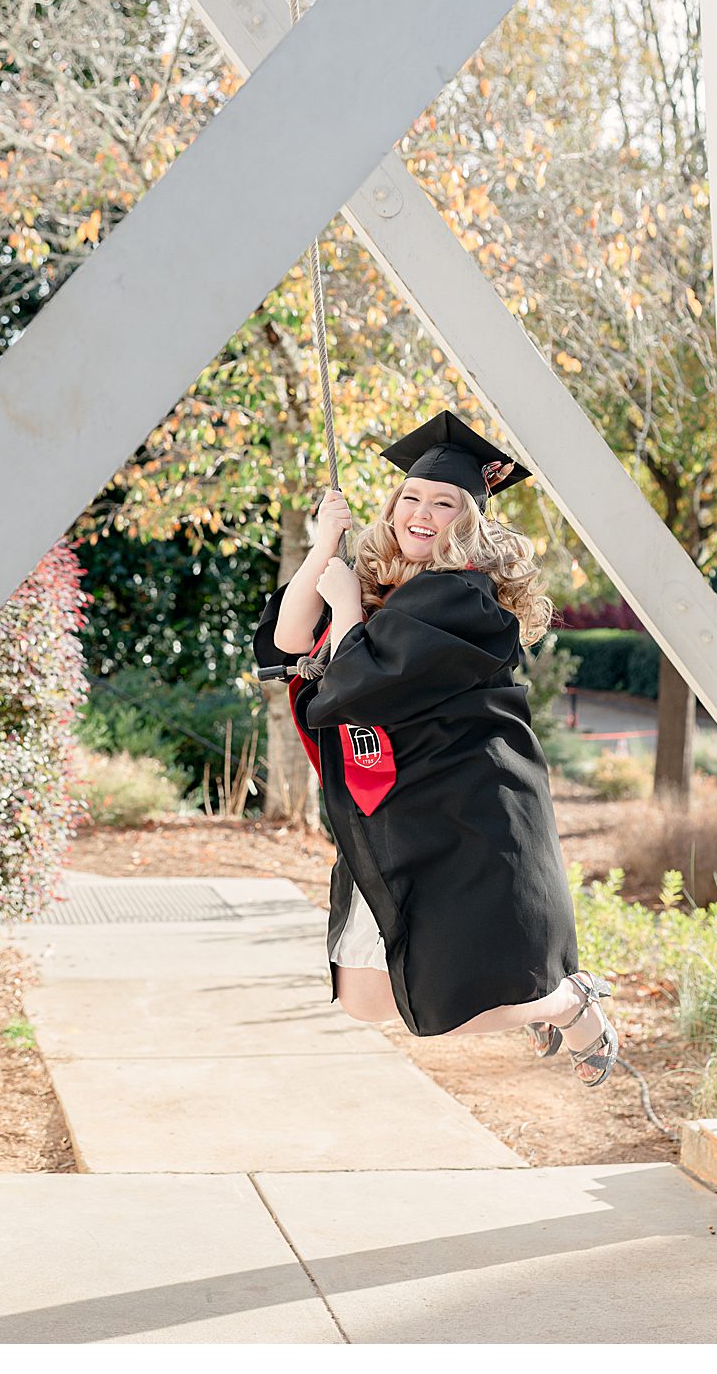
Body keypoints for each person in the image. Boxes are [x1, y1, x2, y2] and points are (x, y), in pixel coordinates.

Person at [255, 410, 617, 1087]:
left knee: (444, 1005)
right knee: (363, 999)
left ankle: (570, 1002)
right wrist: (325, 542)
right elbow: (287, 639)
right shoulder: (386, 578)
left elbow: (363, 685)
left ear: (468, 520)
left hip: (465, 811)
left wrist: (349, 615)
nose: (421, 513)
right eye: (410, 498)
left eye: (443, 503)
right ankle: (554, 1003)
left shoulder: (463, 595)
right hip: (395, 813)